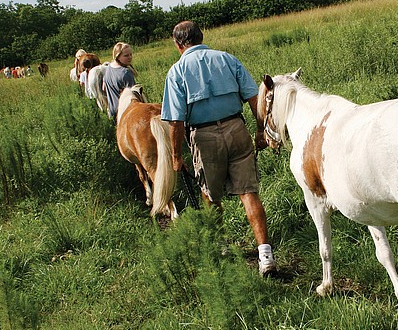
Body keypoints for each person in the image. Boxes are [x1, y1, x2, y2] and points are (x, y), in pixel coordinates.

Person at [161, 20, 277, 276]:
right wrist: (260, 131)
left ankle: (222, 247)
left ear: (178, 44)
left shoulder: (177, 71)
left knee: (210, 195)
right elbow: (254, 98)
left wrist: (176, 156)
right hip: (236, 128)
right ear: (201, 37)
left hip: (204, 137)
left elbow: (176, 121)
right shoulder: (227, 59)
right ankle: (265, 255)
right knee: (249, 192)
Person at [102, 42, 138, 119]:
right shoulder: (125, 73)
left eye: (130, 54)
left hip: (112, 111)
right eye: (126, 55)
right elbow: (134, 96)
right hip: (125, 112)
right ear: (117, 56)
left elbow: (103, 88)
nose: (130, 57)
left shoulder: (108, 68)